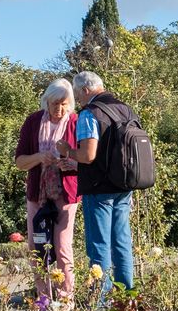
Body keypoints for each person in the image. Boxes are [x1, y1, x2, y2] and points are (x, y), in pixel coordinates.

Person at [58, 70, 136, 295]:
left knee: (99, 245)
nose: (78, 99)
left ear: (85, 90)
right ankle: (125, 299)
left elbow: (88, 155)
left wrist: (67, 151)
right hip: (124, 185)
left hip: (98, 188)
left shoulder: (90, 113)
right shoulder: (125, 109)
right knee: (121, 242)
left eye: (78, 94)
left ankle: (100, 304)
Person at [14, 79, 79, 302]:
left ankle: (65, 300)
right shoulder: (33, 122)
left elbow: (88, 160)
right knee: (36, 246)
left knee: (62, 246)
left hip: (66, 192)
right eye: (55, 104)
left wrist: (71, 163)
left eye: (64, 104)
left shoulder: (76, 122)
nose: (59, 109)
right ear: (46, 101)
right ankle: (44, 299)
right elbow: (20, 161)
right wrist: (41, 157)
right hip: (37, 193)